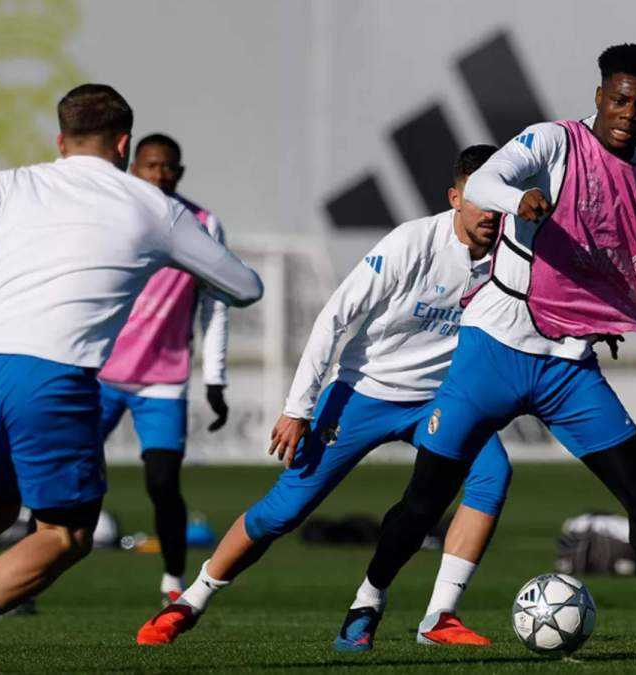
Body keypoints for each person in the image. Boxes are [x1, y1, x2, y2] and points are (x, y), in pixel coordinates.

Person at [0, 84, 263, 673]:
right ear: (124, 143)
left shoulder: (16, 182)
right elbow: (245, 288)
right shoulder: (153, 206)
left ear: (60, 141)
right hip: (52, 374)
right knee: (66, 534)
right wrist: (170, 252)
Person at [333, 44, 636, 651]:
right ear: (600, 95)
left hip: (568, 366)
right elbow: (491, 178)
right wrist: (518, 200)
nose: (629, 111)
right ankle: (367, 603)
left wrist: (610, 317)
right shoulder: (552, 143)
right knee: (424, 502)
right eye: (620, 98)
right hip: (493, 350)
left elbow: (611, 263)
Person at [136, 145, 512, 651]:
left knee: (492, 474)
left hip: (443, 401)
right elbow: (335, 316)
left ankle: (436, 615)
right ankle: (191, 600)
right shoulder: (411, 244)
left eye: (499, 199)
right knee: (283, 512)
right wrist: (298, 408)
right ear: (454, 198)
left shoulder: (515, 250)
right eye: (479, 198)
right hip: (363, 392)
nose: (491, 211)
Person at [98, 133, 231, 603]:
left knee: (162, 482)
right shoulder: (110, 214)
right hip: (99, 373)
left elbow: (216, 306)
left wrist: (215, 378)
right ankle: (26, 583)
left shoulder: (201, 224)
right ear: (134, 167)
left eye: (168, 167)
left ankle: (174, 583)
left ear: (179, 172)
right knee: (65, 470)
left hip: (163, 379)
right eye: (151, 166)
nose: (160, 175)